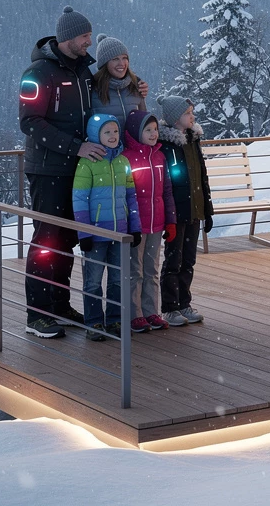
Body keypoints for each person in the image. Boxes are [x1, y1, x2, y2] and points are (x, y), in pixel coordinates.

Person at [19, 6, 105, 339]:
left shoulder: (84, 71)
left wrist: (135, 87)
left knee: (67, 238)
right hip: (47, 170)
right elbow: (29, 121)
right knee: (46, 240)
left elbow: (107, 94)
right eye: (85, 36)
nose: (89, 41)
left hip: (77, 171)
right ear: (68, 37)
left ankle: (59, 305)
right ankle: (37, 314)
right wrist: (76, 147)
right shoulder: (38, 73)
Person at [73, 114, 142, 341]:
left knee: (116, 279)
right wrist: (84, 233)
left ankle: (114, 320)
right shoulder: (87, 163)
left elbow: (131, 198)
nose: (113, 136)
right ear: (96, 135)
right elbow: (80, 200)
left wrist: (135, 227)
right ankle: (93, 322)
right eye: (106, 132)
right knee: (93, 280)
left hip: (119, 232)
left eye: (115, 131)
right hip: (96, 233)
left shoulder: (123, 162)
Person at [157, 95, 214, 326]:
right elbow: (165, 183)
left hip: (195, 210)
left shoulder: (193, 140)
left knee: (188, 259)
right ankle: (170, 307)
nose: (192, 116)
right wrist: (167, 216)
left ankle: (184, 303)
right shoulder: (166, 145)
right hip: (176, 212)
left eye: (191, 112)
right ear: (174, 119)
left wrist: (207, 209)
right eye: (187, 113)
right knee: (173, 259)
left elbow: (202, 175)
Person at [123, 110, 176, 333]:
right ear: (137, 132)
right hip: (138, 225)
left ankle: (150, 311)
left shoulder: (160, 156)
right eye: (148, 130)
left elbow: (167, 191)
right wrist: (131, 224)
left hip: (157, 222)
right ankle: (134, 314)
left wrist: (170, 221)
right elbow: (126, 195)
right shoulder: (126, 158)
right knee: (135, 270)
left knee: (152, 269)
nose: (154, 134)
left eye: (155, 129)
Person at [89, 34, 148, 128]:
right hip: (105, 143)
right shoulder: (92, 88)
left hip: (133, 143)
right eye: (115, 59)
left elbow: (144, 123)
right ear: (104, 63)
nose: (121, 63)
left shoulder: (136, 85)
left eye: (124, 58)